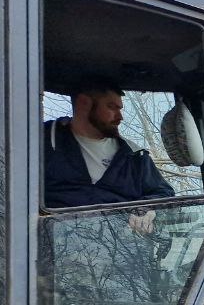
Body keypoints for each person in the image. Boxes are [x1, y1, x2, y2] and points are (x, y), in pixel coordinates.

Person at [43, 79, 175, 214]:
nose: (120, 117)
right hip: (53, 232)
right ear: (84, 103)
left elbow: (163, 193)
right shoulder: (42, 141)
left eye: (120, 109)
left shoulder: (134, 155)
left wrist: (147, 210)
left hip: (120, 233)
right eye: (111, 107)